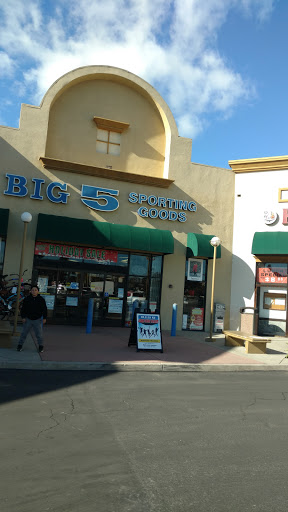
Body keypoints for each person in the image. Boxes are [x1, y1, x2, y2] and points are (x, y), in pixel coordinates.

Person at [17, 285, 47, 353]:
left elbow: (44, 309)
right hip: (28, 319)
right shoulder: (27, 299)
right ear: (30, 291)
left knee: (39, 334)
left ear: (38, 291)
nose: (34, 291)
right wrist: (23, 317)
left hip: (37, 319)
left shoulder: (41, 299)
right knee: (24, 333)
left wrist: (44, 318)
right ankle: (20, 345)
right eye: (32, 290)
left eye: (35, 290)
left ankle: (40, 346)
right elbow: (23, 309)